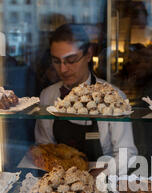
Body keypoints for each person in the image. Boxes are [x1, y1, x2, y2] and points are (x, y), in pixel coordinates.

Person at [35, 23, 137, 175]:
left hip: (102, 183)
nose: (63, 69)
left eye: (71, 60)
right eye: (57, 61)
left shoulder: (114, 97)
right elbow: (45, 146)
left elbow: (127, 154)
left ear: (89, 54)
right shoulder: (47, 95)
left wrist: (98, 175)